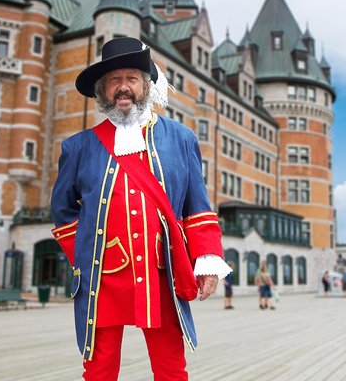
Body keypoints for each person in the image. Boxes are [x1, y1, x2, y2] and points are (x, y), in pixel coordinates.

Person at [51, 37, 231, 381]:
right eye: (114, 81)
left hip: (160, 272)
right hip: (103, 278)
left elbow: (198, 207)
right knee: (99, 368)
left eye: (131, 78)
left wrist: (206, 261)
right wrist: (88, 254)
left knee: (170, 367)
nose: (123, 88)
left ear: (146, 85)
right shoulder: (78, 147)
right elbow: (63, 212)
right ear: (102, 91)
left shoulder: (181, 138)